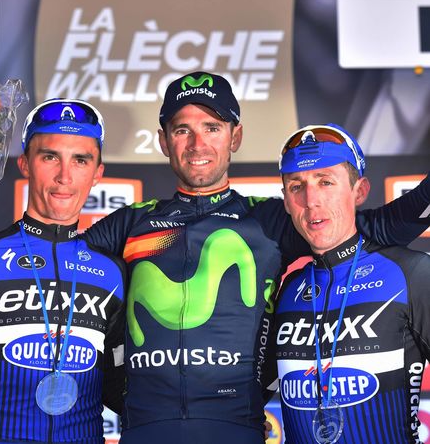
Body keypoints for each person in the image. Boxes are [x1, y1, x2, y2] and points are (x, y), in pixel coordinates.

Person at [83, 71, 430, 444]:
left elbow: (381, 227)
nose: (198, 144)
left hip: (237, 430)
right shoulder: (131, 222)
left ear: (235, 137)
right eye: (183, 130)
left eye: (212, 128)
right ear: (164, 141)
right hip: (146, 432)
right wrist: (120, 398)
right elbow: (60, 267)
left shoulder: (268, 220)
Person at [0, 98, 127, 443]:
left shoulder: (112, 273)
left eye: (80, 160)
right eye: (50, 157)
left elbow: (121, 388)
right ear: (25, 164)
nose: (64, 176)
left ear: (97, 173)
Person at [275, 124, 430, 443]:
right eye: (296, 186)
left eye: (326, 182)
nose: (311, 200)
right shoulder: (289, 288)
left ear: (359, 191)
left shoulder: (410, 273)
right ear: (286, 201)